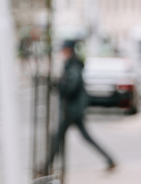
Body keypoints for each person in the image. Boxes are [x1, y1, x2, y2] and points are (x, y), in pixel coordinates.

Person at [48, 41, 116, 172]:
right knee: (82, 137)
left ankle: (46, 166)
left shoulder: (73, 65)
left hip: (72, 109)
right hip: (74, 109)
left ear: (68, 50)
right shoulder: (73, 64)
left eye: (63, 50)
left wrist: (59, 85)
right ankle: (109, 160)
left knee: (57, 137)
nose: (61, 52)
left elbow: (71, 86)